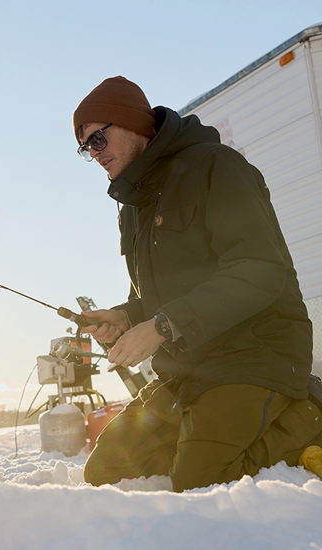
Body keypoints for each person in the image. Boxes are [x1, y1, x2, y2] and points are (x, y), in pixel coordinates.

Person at [73, 76, 322, 491]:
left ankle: (308, 419)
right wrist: (125, 315)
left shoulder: (216, 167)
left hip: (254, 354)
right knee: (105, 473)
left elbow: (260, 269)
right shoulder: (133, 205)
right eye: (86, 148)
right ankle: (212, 434)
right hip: (190, 367)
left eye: (98, 138)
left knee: (198, 481)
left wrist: (161, 327)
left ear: (133, 122)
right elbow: (161, 292)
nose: (94, 154)